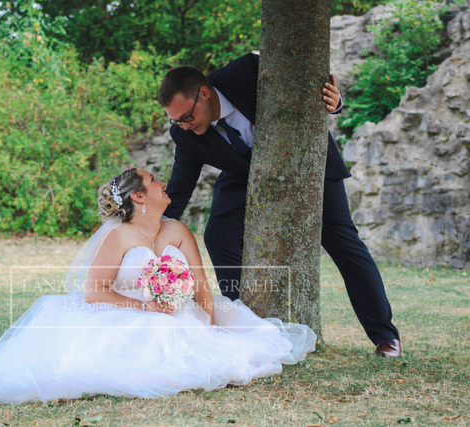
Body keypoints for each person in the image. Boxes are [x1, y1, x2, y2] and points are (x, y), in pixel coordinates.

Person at [0, 168, 316, 406]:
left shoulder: (178, 230)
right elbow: (94, 292)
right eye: (153, 180)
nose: (162, 183)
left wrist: (209, 327)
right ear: (139, 196)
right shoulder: (119, 236)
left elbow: (202, 287)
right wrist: (146, 307)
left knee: (231, 348)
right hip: (125, 313)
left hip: (181, 313)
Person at [157, 53, 401, 357]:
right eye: (175, 120)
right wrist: (148, 231)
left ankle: (385, 336)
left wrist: (335, 101)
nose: (182, 126)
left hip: (308, 162)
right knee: (217, 236)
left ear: (204, 93)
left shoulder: (248, 71)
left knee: (344, 243)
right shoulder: (185, 134)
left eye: (186, 117)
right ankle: (245, 328)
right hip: (244, 176)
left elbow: (309, 83)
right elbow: (179, 190)